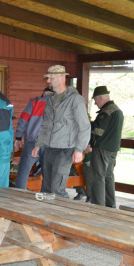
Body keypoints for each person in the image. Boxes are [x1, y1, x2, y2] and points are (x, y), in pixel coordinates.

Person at [31, 65, 91, 198]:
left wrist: (79, 149)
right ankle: (47, 217)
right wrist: (38, 144)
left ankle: (65, 217)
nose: (48, 81)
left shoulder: (75, 99)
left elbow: (84, 126)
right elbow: (45, 125)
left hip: (65, 149)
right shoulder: (51, 99)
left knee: (57, 189)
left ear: (61, 78)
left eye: (51, 78)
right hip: (49, 148)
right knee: (46, 188)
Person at [89, 86, 124, 208]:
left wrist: (89, 126)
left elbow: (98, 131)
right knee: (108, 177)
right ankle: (110, 205)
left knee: (97, 177)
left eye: (96, 100)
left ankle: (98, 206)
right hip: (113, 149)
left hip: (102, 149)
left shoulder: (106, 112)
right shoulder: (117, 110)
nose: (95, 103)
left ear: (101, 98)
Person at [14, 87, 53, 189]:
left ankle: (18, 197)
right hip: (50, 144)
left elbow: (23, 121)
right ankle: (46, 200)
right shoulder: (59, 104)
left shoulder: (35, 102)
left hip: (32, 142)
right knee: (48, 176)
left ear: (44, 93)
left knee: (23, 173)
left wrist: (18, 138)